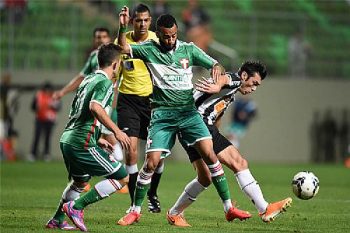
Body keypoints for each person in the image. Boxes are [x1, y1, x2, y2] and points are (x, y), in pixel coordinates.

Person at [116, 8, 249, 226]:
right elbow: (122, 47)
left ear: (177, 32)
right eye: (166, 36)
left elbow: (216, 64)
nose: (170, 40)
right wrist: (122, 27)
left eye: (173, 35)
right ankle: (135, 210)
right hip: (162, 115)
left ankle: (229, 208)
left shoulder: (188, 50)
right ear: (157, 34)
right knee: (151, 163)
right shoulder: (148, 49)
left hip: (188, 114)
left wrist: (217, 72)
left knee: (211, 157)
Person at [167, 61, 292, 226]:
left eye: (257, 86)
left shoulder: (231, 93)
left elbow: (217, 116)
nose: (254, 88)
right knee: (239, 162)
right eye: (254, 83)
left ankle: (174, 213)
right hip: (198, 124)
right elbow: (224, 79)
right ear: (245, 75)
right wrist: (217, 85)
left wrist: (217, 134)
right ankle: (264, 208)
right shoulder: (234, 79)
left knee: (205, 178)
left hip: (190, 126)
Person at [45, 43, 131, 231]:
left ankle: (57, 219)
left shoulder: (89, 79)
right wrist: (116, 131)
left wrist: (98, 137)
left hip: (68, 138)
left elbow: (78, 111)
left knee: (79, 182)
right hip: (81, 142)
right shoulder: (105, 82)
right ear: (116, 64)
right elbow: (94, 107)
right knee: (123, 178)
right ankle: (76, 207)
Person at [113, 3, 163, 213]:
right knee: (131, 153)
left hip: (152, 102)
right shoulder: (121, 41)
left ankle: (152, 193)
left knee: (156, 157)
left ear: (150, 22)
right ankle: (135, 203)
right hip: (128, 102)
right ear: (132, 21)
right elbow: (116, 74)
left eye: (146, 20)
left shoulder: (157, 41)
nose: (142, 24)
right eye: (138, 20)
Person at [52, 27, 111, 100]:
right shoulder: (93, 56)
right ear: (94, 40)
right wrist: (62, 92)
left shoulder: (116, 55)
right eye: (98, 37)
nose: (101, 40)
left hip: (112, 97)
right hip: (96, 98)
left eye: (104, 37)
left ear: (109, 39)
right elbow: (82, 77)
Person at [29, 82, 61, 161]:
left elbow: (58, 107)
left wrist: (53, 105)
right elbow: (33, 107)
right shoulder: (39, 95)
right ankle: (33, 154)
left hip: (50, 120)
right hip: (39, 119)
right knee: (37, 136)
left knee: (47, 137)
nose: (47, 91)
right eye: (46, 90)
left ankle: (46, 154)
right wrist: (36, 107)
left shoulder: (54, 96)